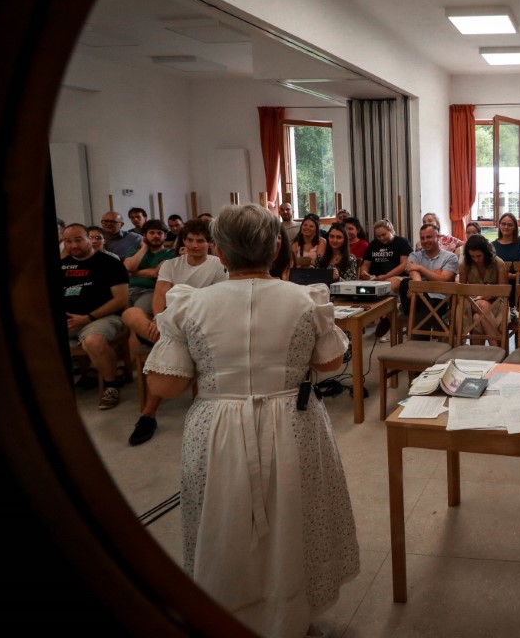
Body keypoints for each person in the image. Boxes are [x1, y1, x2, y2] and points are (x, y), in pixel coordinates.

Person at [144, 203, 358, 638]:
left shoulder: (190, 304)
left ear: (220, 252)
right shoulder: (304, 298)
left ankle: (228, 615)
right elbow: (331, 364)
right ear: (277, 248)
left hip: (218, 425)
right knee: (293, 516)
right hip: (292, 420)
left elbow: (166, 385)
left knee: (223, 519)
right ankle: (292, 618)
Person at [126, 218, 227, 446]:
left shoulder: (218, 265)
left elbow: (216, 301)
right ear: (184, 241)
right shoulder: (171, 265)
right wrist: (159, 319)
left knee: (168, 347)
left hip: (199, 326)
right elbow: (159, 296)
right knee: (131, 314)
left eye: (200, 241)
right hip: (168, 325)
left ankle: (148, 414)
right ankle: (168, 341)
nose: (194, 245)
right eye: (190, 240)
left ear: (210, 243)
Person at [60, 223, 130, 409]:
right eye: (68, 241)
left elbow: (120, 300)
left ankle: (111, 386)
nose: (73, 245)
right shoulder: (61, 266)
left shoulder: (110, 263)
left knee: (93, 342)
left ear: (89, 239)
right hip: (67, 321)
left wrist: (87, 318)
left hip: (101, 318)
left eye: (78, 240)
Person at [398, 223, 458, 320]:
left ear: (438, 237)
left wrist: (420, 268)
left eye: (429, 237)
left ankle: (421, 326)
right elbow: (414, 273)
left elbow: (443, 280)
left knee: (423, 309)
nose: (425, 241)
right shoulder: (414, 256)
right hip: (416, 297)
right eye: (422, 238)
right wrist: (421, 286)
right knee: (405, 283)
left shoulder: (450, 257)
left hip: (439, 299)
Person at [459, 233, 509, 347]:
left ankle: (479, 354)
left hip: (495, 301)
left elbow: (503, 291)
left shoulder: (498, 263)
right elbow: (462, 291)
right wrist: (475, 296)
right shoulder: (464, 265)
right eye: (472, 256)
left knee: (477, 318)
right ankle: (497, 346)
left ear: (486, 253)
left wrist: (489, 295)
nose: (476, 259)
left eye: (479, 256)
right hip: (471, 302)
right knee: (482, 304)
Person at [492, 212, 520, 311]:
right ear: (499, 225)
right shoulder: (492, 246)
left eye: (510, 225)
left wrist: (513, 276)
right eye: (503, 224)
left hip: (519, 281)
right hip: (497, 281)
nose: (506, 227)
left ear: (515, 227)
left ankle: (511, 312)